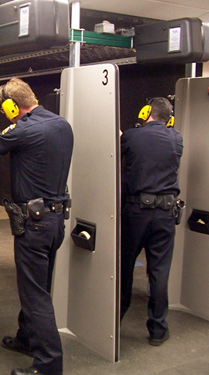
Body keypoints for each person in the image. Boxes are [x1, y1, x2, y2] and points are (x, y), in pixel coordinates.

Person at [0, 78, 73, 375]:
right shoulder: (61, 124)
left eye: (6, 108)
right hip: (55, 222)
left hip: (34, 224)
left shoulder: (26, 128)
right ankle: (26, 338)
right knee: (39, 287)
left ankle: (49, 364)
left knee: (35, 295)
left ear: (11, 106)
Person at [120, 97, 183, 346]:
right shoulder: (177, 138)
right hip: (166, 213)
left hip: (137, 212)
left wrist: (125, 135)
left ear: (147, 113)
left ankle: (113, 321)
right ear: (169, 118)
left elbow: (126, 149)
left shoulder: (132, 137)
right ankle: (158, 329)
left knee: (124, 269)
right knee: (159, 271)